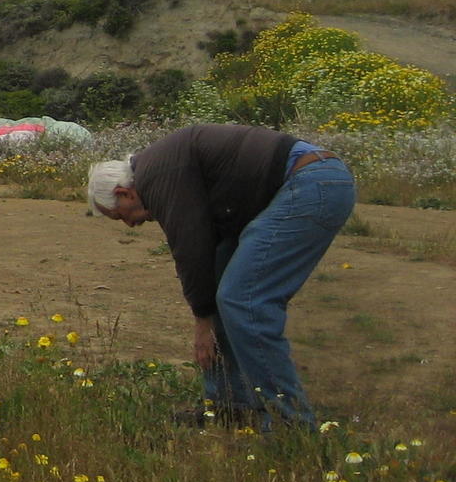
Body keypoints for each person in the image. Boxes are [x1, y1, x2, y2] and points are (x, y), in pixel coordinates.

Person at [87, 124, 355, 431]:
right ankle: (232, 407)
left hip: (310, 183)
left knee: (245, 300)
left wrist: (203, 319)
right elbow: (208, 251)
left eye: (121, 215)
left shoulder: (156, 174)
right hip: (307, 182)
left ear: (124, 192)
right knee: (224, 288)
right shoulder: (159, 166)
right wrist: (206, 308)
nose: (130, 225)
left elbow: (191, 244)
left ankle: (289, 427)